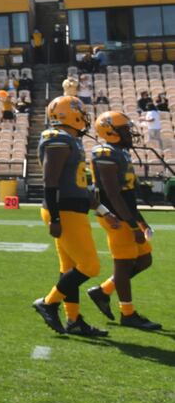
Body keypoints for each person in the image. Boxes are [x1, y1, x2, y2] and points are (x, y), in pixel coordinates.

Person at [31, 97, 107, 337]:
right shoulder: (58, 138)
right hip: (63, 210)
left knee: (69, 268)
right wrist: (55, 217)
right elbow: (49, 180)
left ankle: (73, 320)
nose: (84, 117)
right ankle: (48, 302)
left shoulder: (69, 139)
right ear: (69, 114)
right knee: (90, 266)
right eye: (80, 112)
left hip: (71, 209)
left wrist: (99, 208)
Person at [84, 111, 160, 330]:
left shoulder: (120, 152)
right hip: (115, 217)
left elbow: (127, 196)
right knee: (124, 264)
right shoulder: (105, 152)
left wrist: (141, 220)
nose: (130, 133)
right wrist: (132, 224)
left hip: (126, 213)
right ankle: (128, 313)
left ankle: (103, 291)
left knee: (144, 259)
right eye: (125, 129)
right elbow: (112, 194)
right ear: (110, 131)